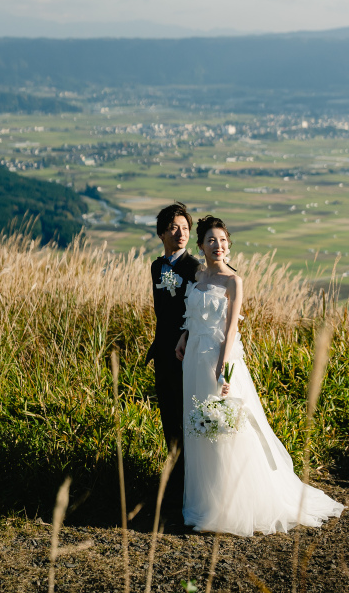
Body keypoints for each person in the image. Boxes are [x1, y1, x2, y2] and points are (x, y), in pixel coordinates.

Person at [176, 215, 344, 536]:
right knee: (198, 426)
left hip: (217, 358)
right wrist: (184, 337)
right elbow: (193, 314)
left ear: (228, 244)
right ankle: (205, 499)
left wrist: (223, 370)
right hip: (193, 359)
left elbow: (231, 327)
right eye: (212, 240)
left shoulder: (233, 282)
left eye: (223, 240)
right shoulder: (197, 274)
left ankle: (230, 505)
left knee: (223, 428)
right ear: (201, 245)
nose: (218, 246)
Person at [145, 203, 201, 517]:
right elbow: (160, 311)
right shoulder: (156, 267)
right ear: (162, 232)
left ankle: (185, 490)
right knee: (168, 419)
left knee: (184, 418)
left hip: (185, 353)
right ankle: (175, 482)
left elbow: (199, 312)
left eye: (185, 228)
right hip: (162, 354)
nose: (181, 234)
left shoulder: (193, 267)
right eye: (174, 228)